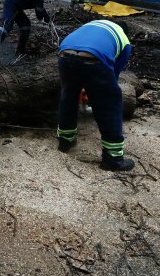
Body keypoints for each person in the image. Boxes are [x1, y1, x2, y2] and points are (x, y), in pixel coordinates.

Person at [56, 19, 134, 171]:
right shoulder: (124, 41)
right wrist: (96, 92)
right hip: (93, 57)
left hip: (65, 53)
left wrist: (85, 87)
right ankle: (113, 158)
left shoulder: (94, 23)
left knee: (68, 96)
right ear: (125, 32)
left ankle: (65, 140)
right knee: (110, 103)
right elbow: (113, 75)